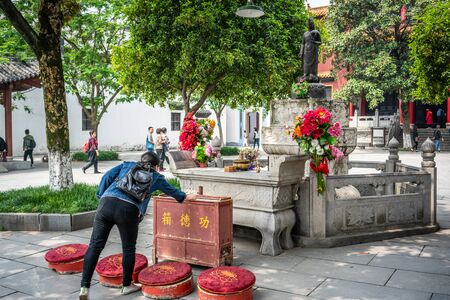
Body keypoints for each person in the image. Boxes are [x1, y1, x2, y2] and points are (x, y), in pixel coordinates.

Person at [79, 151, 196, 299]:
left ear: (141, 160)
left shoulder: (127, 165)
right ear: (156, 166)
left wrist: (100, 195)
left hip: (106, 203)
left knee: (95, 246)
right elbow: (173, 192)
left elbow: (106, 177)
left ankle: (84, 287)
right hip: (128, 210)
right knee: (128, 248)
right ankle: (126, 285)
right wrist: (185, 196)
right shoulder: (156, 177)